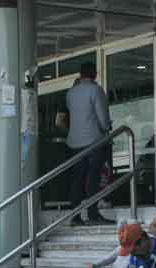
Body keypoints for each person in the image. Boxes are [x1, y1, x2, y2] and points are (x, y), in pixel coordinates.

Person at [65, 63, 112, 225]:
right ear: (94, 74)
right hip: (93, 141)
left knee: (77, 179)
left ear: (81, 73)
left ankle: (75, 216)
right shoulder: (95, 90)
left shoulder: (71, 93)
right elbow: (102, 118)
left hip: (74, 143)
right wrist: (107, 129)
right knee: (93, 178)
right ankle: (93, 214)